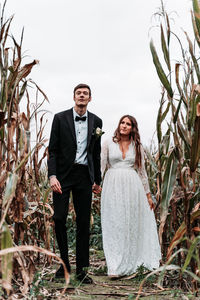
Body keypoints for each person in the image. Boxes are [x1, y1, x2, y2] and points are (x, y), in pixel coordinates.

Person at [48, 83, 102, 283]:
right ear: (74, 97)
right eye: (79, 93)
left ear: (90, 98)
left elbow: (95, 154)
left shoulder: (97, 121)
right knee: (60, 218)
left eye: (85, 93)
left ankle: (82, 269)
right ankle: (64, 266)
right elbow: (52, 150)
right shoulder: (60, 118)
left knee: (83, 222)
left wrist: (97, 180)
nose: (82, 96)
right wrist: (52, 176)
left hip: (84, 177)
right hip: (62, 176)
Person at [101, 115, 161, 277]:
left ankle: (131, 261)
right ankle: (114, 266)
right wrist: (96, 185)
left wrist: (148, 195)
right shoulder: (107, 143)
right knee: (115, 222)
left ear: (133, 127)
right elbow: (102, 166)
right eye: (122, 122)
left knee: (130, 222)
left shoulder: (137, 146)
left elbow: (142, 172)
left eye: (128, 124)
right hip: (112, 185)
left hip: (133, 187)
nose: (124, 126)